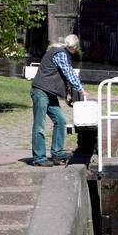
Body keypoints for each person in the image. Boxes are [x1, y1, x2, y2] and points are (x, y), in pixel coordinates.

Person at [29, 34, 88, 166]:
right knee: (39, 125)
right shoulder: (61, 54)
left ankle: (57, 153)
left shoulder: (60, 52)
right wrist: (80, 89)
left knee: (60, 121)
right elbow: (69, 73)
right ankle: (39, 158)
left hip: (49, 92)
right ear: (74, 47)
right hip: (41, 91)